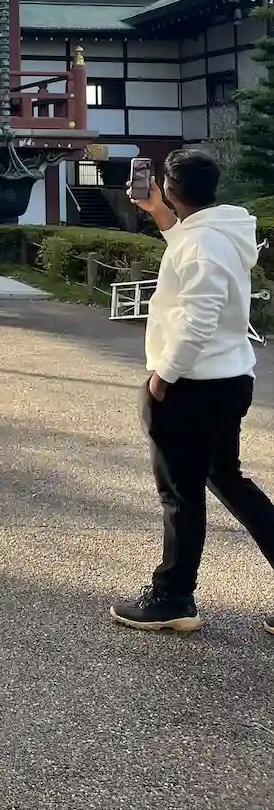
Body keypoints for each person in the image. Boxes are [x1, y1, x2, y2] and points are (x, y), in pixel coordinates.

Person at [111, 148, 274, 634]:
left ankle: (173, 597)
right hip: (227, 379)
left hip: (193, 386)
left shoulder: (203, 244)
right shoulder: (219, 232)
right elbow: (189, 247)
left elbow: (198, 319)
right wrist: (160, 212)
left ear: (170, 185)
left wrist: (163, 377)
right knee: (227, 480)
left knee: (181, 494)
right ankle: (174, 593)